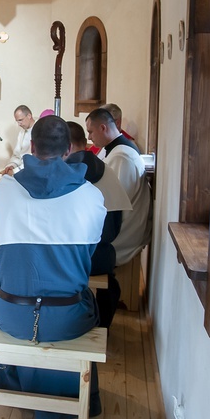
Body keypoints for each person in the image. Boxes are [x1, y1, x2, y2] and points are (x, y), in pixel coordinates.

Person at [0, 115, 106, 419]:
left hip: (12, 315)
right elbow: (87, 259)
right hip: (68, 318)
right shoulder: (92, 196)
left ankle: (17, 385)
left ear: (32, 146)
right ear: (69, 149)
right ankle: (75, 401)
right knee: (87, 297)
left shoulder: (3, 190)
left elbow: (1, 249)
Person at [65, 121, 132, 328]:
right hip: (102, 255)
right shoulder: (104, 168)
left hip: (75, 256)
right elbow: (112, 228)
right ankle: (101, 326)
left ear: (66, 147)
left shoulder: (68, 172)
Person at [86, 109, 152, 267]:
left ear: (103, 128)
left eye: (90, 132)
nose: (89, 137)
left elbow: (113, 206)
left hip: (122, 237)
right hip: (120, 227)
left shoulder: (122, 157)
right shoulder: (116, 150)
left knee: (71, 254)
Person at [0, 105, 36, 175]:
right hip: (20, 169)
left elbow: (36, 157)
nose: (19, 124)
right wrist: (12, 166)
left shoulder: (39, 130)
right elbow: (17, 155)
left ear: (29, 116)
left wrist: (15, 171)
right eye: (17, 121)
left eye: (20, 120)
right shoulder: (21, 133)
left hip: (32, 171)